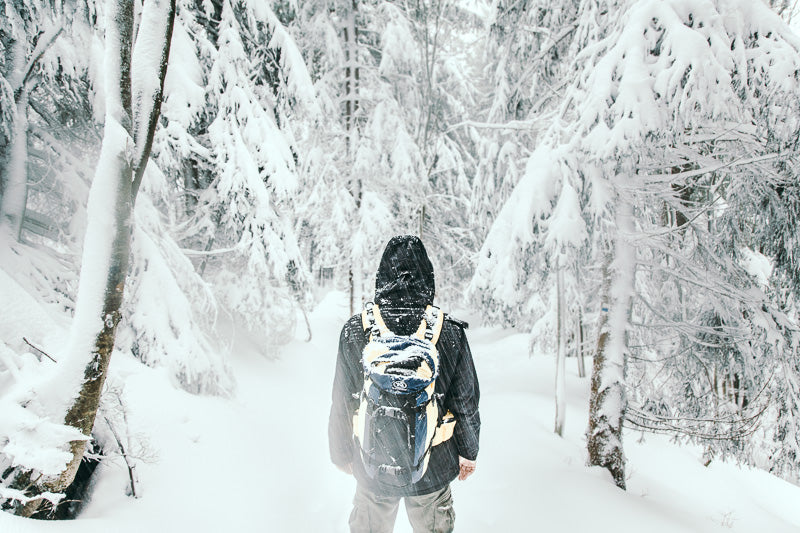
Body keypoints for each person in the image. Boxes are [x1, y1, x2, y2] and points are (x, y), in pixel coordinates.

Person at [328, 235, 481, 533]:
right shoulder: (448, 333)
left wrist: (341, 452)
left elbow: (342, 399)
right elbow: (465, 402)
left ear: (381, 276)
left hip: (373, 464)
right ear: (428, 278)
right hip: (432, 468)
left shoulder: (355, 330)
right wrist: (469, 453)